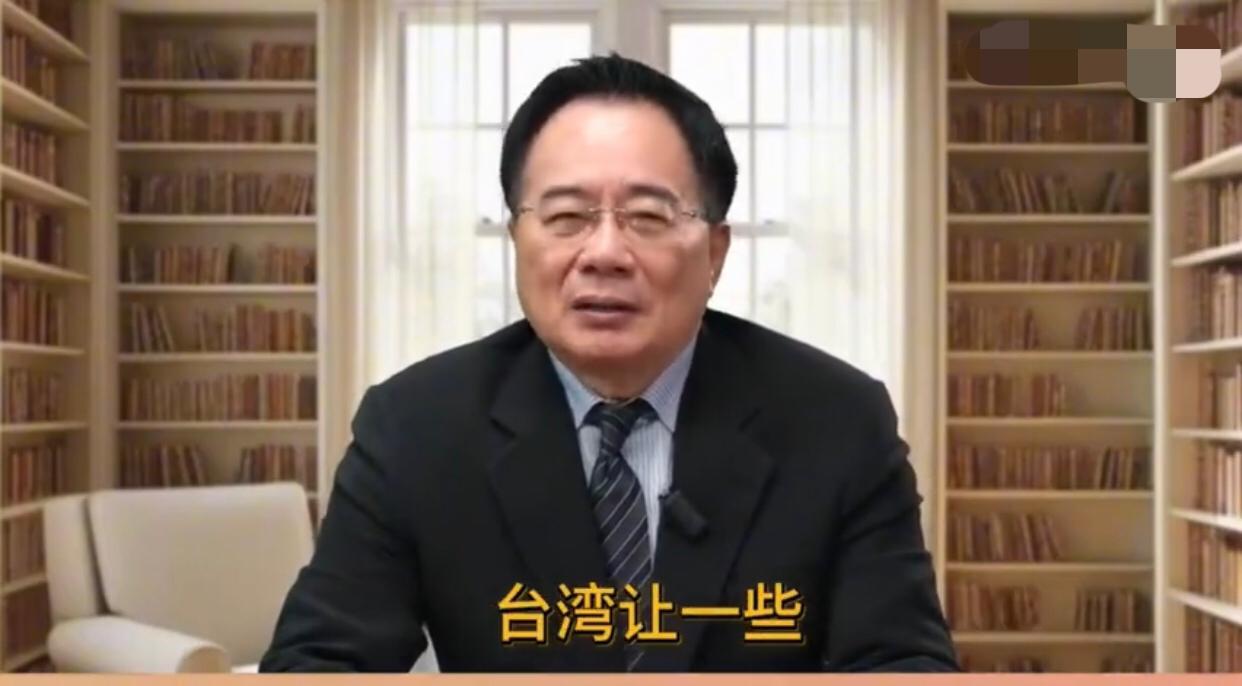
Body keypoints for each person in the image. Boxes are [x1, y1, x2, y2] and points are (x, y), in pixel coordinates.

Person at [260, 53, 957, 673]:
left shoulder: (838, 421)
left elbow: (901, 662)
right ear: (517, 240)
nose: (603, 254)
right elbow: (319, 662)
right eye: (566, 217)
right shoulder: (415, 427)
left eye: (648, 218)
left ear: (715, 253)